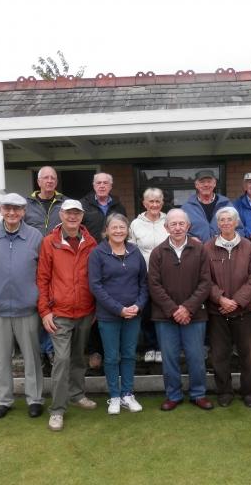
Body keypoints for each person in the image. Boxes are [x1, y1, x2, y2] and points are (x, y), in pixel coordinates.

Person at [0, 193, 44, 419]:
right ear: (0, 209)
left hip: (28, 310)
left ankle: (35, 399)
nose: (12, 212)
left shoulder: (35, 237)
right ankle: (4, 400)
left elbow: (43, 274)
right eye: (7, 208)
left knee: (32, 358)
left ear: (24, 211)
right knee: (2, 358)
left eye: (17, 208)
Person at [37, 199, 99, 431]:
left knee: (78, 357)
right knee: (61, 360)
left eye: (77, 213)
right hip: (60, 312)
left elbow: (95, 278)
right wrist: (45, 311)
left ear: (82, 216)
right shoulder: (49, 242)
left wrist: (94, 308)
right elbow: (42, 279)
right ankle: (58, 409)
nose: (72, 217)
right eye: (68, 213)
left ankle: (77, 394)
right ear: (60, 215)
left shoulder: (91, 242)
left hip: (85, 311)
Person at [148, 208, 213, 411]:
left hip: (194, 315)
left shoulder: (200, 249)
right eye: (173, 224)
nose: (177, 227)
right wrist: (173, 310)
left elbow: (205, 283)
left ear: (188, 226)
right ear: (166, 227)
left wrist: (187, 308)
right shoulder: (157, 252)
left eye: (181, 224)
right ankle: (173, 395)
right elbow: (154, 285)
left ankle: (198, 394)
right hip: (165, 317)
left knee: (196, 358)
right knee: (169, 360)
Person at [88, 213, 148, 415]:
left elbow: (143, 283)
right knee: (112, 357)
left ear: (127, 230)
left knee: (129, 355)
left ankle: (127, 394)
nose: (118, 231)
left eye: (122, 227)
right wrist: (118, 309)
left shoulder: (134, 251)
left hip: (133, 315)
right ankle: (114, 396)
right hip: (109, 316)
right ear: (106, 230)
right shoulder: (98, 253)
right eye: (114, 227)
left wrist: (137, 306)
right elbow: (96, 286)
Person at [203, 206, 251, 407]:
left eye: (229, 220)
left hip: (245, 311)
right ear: (217, 224)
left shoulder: (248, 246)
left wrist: (236, 301)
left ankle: (249, 392)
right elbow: (205, 279)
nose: (226, 223)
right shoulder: (207, 247)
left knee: (249, 355)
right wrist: (221, 299)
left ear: (236, 223)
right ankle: (225, 392)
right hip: (218, 311)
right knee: (219, 355)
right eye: (222, 220)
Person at [80, 172, 128, 370]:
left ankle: (114, 351)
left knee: (112, 303)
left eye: (105, 183)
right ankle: (94, 350)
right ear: (93, 185)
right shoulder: (84, 205)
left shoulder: (118, 206)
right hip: (91, 259)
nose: (102, 186)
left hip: (114, 260)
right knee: (94, 306)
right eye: (98, 183)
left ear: (111, 185)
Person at [25, 166, 67, 367]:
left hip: (59, 261)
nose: (49, 181)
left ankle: (50, 350)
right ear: (39, 182)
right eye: (46, 178)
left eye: (53, 178)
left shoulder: (65, 203)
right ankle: (40, 350)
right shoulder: (26, 205)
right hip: (33, 262)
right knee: (37, 304)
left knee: (54, 304)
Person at [129, 187, 169, 364]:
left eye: (157, 201)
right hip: (143, 275)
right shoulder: (135, 224)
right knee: (146, 312)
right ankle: (150, 346)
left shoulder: (169, 221)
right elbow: (131, 249)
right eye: (150, 201)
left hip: (167, 275)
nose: (154, 204)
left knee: (163, 311)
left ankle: (162, 347)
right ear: (144, 203)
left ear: (162, 203)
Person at [181, 170, 241, 243]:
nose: (206, 185)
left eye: (209, 181)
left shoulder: (226, 205)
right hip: (197, 251)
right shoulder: (187, 208)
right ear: (196, 185)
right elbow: (179, 230)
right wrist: (188, 239)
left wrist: (229, 241)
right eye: (202, 182)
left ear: (214, 184)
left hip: (223, 250)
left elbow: (240, 229)